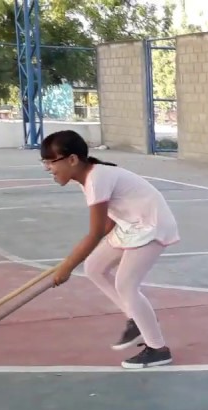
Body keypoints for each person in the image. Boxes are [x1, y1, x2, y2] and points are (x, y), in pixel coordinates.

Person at [42, 130, 178, 369]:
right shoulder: (90, 177)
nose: (47, 169)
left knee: (126, 284)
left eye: (50, 162)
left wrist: (67, 267)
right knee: (94, 267)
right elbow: (107, 223)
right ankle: (135, 318)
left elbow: (94, 232)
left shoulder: (96, 178)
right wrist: (75, 260)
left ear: (72, 159)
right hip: (132, 224)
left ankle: (158, 348)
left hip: (150, 224)